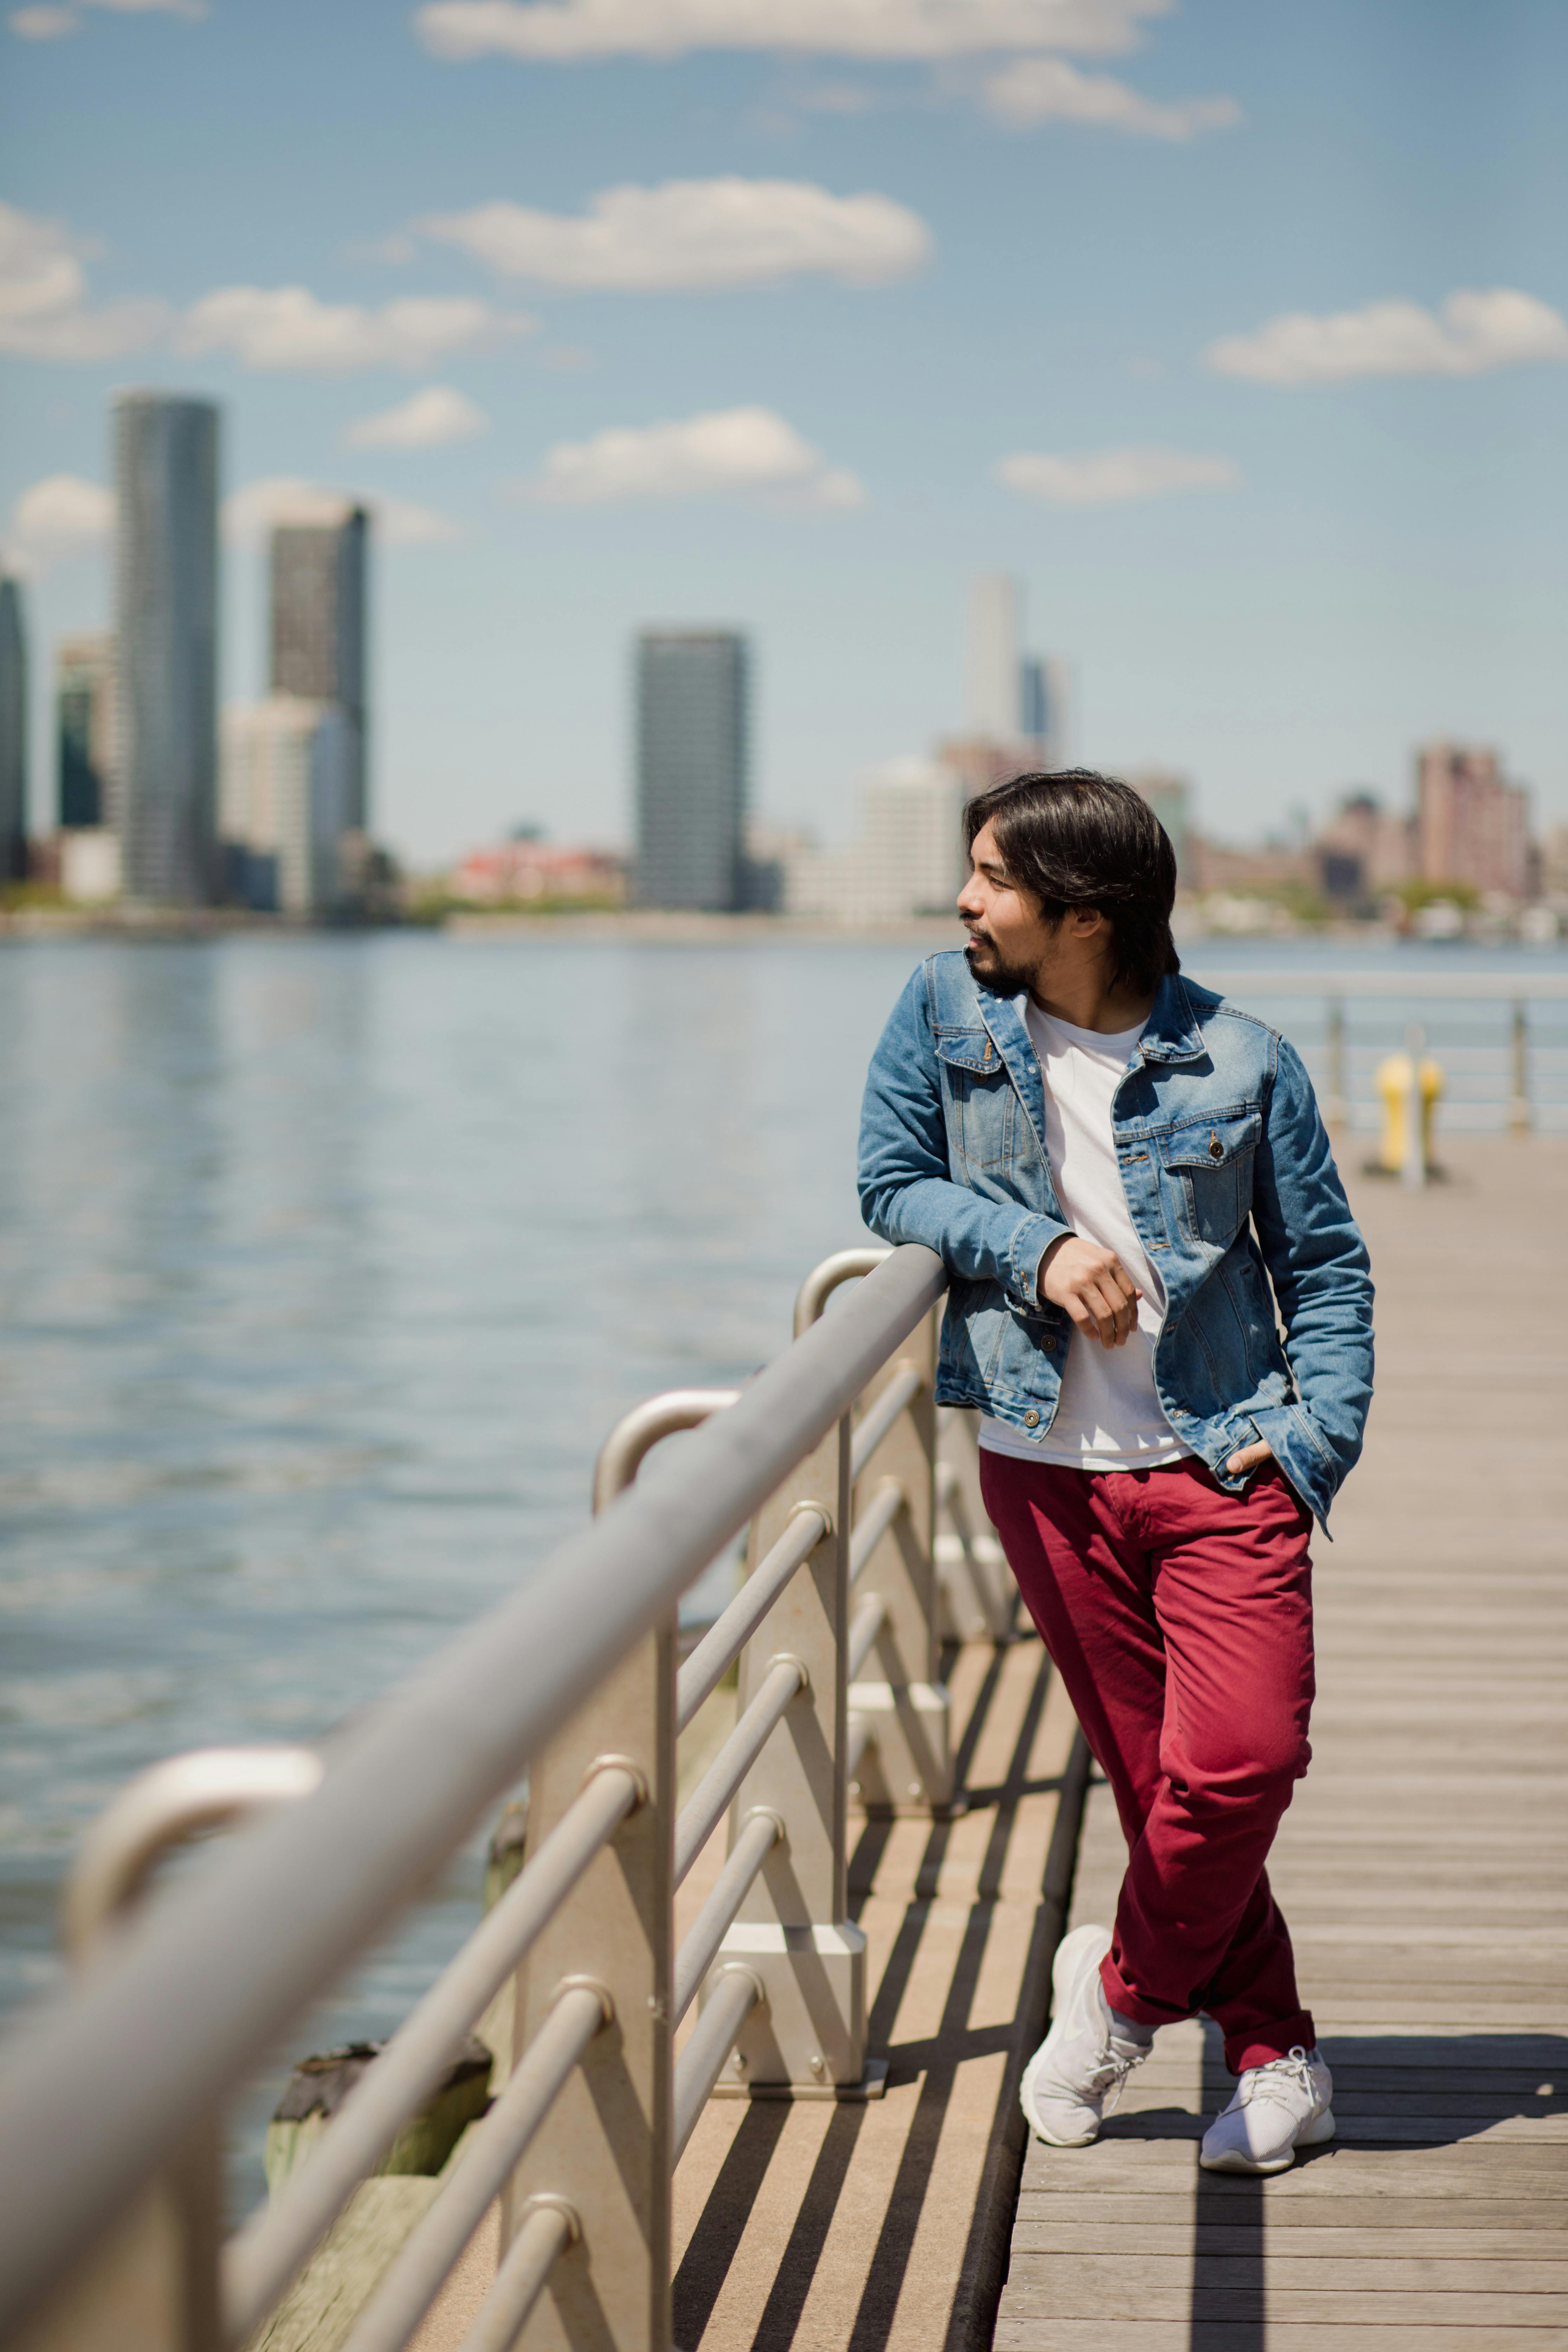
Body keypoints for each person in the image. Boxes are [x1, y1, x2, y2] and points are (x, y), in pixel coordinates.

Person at [857, 770, 1374, 2175]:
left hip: (1225, 1454)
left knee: (1245, 1757)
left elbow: (1325, 1270)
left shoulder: (1247, 1059)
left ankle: (1123, 1993)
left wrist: (1313, 1437)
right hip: (1046, 1469)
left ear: (1081, 916)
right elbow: (890, 1184)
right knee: (1163, 1790)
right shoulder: (943, 1011)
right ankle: (1278, 2053)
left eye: (990, 879)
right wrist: (1034, 1249)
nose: (963, 900)